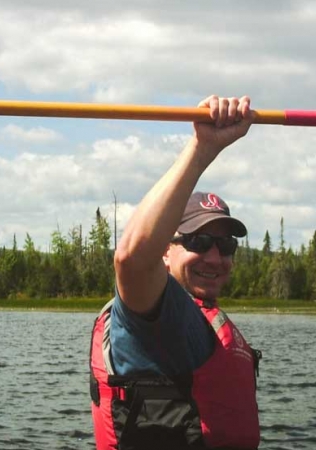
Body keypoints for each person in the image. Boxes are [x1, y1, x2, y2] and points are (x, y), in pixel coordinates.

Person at [89, 95, 262, 450]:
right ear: (166, 251)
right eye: (198, 241)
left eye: (225, 245)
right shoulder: (158, 311)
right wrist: (202, 148)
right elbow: (132, 259)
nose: (215, 257)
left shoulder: (201, 318)